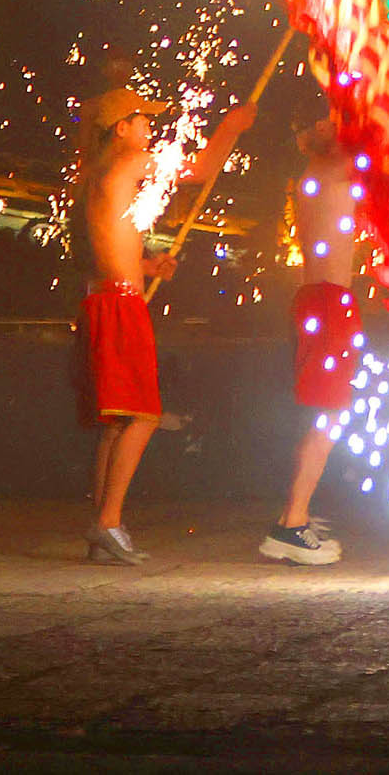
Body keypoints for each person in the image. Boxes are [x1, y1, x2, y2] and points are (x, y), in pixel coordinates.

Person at [76, 70, 253, 565]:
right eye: (141, 120)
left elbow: (107, 244)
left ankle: (102, 524)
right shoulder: (130, 160)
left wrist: (148, 265)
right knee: (145, 416)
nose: (150, 129)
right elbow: (197, 170)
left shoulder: (97, 171)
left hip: (108, 295)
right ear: (121, 129)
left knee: (116, 423)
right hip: (119, 304)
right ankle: (108, 522)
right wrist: (232, 129)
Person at [260, 108, 364, 567]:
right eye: (320, 121)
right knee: (329, 415)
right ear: (306, 139)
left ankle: (295, 513)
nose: (331, 125)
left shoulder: (322, 171)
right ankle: (290, 525)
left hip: (321, 300)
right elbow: (383, 143)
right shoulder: (332, 167)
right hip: (326, 302)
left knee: (326, 414)